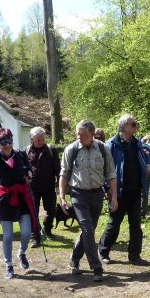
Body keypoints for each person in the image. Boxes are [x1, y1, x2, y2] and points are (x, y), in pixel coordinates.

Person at [58, 120, 117, 282]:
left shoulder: (103, 149)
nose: (79, 137)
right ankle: (96, 268)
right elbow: (64, 174)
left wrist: (115, 197)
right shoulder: (71, 150)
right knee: (88, 229)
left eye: (83, 134)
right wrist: (62, 197)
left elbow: (111, 174)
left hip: (97, 194)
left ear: (92, 134)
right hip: (78, 194)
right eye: (77, 133)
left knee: (88, 230)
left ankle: (74, 259)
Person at [0, 128, 36, 279]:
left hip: (22, 197)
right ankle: (9, 264)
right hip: (5, 200)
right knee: (9, 236)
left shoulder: (20, 154)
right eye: (3, 142)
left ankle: (22, 253)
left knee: (26, 233)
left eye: (9, 141)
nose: (7, 145)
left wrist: (29, 176)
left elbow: (29, 171)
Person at [98, 114, 150, 266]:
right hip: (118, 192)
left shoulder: (138, 143)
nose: (135, 125)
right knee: (114, 224)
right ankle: (103, 251)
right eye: (132, 123)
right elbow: (103, 170)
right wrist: (107, 189)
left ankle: (134, 256)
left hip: (135, 190)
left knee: (136, 225)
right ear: (123, 127)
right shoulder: (110, 145)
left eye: (135, 123)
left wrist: (148, 164)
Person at [26, 126, 61, 247]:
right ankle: (35, 236)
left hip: (49, 186)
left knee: (51, 210)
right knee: (33, 212)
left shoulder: (51, 149)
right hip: (33, 188)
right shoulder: (26, 151)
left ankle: (47, 229)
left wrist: (58, 185)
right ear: (32, 139)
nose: (41, 142)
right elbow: (23, 168)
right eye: (38, 140)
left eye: (42, 139)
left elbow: (58, 169)